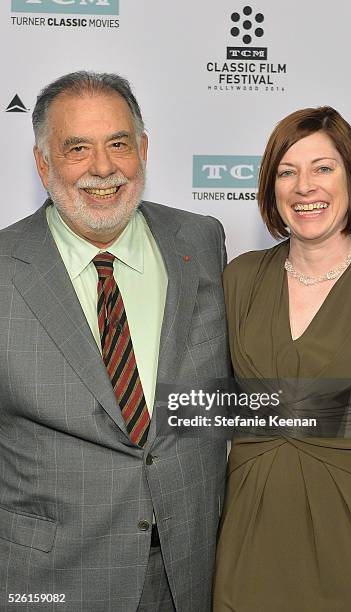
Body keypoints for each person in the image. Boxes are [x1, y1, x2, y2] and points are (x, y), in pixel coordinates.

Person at [0, 71, 229, 611]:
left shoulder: (200, 239)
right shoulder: (6, 270)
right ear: (43, 164)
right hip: (51, 580)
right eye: (77, 148)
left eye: (118, 144)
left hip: (191, 571)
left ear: (143, 150)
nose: (103, 168)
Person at [213, 106, 351, 611]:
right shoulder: (239, 279)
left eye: (323, 168)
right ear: (272, 187)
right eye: (287, 171)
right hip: (250, 540)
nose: (305, 187)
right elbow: (208, 412)